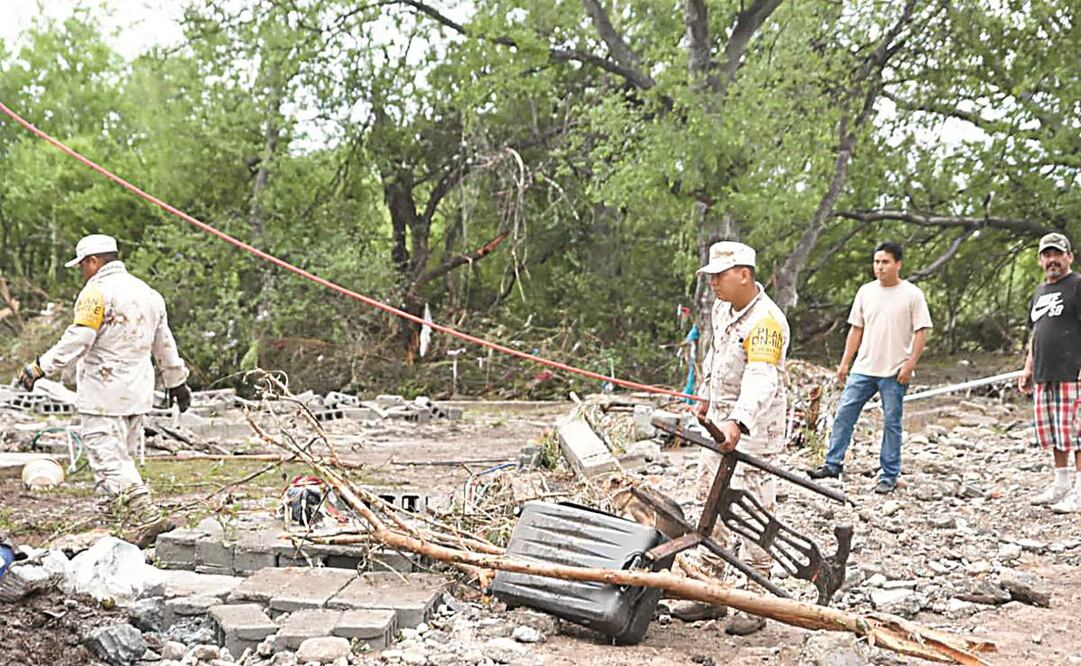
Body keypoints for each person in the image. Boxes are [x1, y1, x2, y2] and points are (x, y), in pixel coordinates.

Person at [16, 234, 192, 546]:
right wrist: (177, 381)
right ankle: (113, 524)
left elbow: (80, 338)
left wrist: (40, 366)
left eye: (82, 265)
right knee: (118, 460)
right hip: (138, 393)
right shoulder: (149, 293)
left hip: (103, 392)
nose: (82, 271)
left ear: (93, 261)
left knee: (108, 460)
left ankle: (146, 516)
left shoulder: (96, 292)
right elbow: (164, 343)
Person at [669, 241, 790, 636]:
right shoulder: (723, 311)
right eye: (711, 278)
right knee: (709, 500)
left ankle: (757, 599)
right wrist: (704, 399)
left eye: (720, 277)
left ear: (744, 274)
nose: (714, 285)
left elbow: (761, 378)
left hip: (754, 433)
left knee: (754, 513)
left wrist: (738, 421)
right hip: (718, 426)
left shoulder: (767, 323)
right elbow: (715, 358)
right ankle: (710, 591)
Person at [808, 242, 931, 494]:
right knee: (845, 413)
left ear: (898, 264)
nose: (879, 267)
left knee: (891, 422)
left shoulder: (912, 294)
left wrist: (910, 365)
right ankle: (832, 463)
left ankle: (889, 473)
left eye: (885, 262)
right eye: (876, 262)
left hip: (894, 370)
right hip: (864, 367)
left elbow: (921, 331)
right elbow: (856, 328)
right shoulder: (866, 292)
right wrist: (844, 362)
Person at [1018, 232, 1081, 513]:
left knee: (1077, 431)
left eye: (1058, 254)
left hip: (1072, 371)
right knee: (1055, 431)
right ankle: (1061, 482)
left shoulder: (1077, 285)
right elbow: (1037, 332)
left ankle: (1080, 489)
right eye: (1047, 255)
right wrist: (1028, 367)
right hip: (1045, 371)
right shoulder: (1040, 292)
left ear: (1069, 256)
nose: (1052, 260)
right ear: (1040, 260)